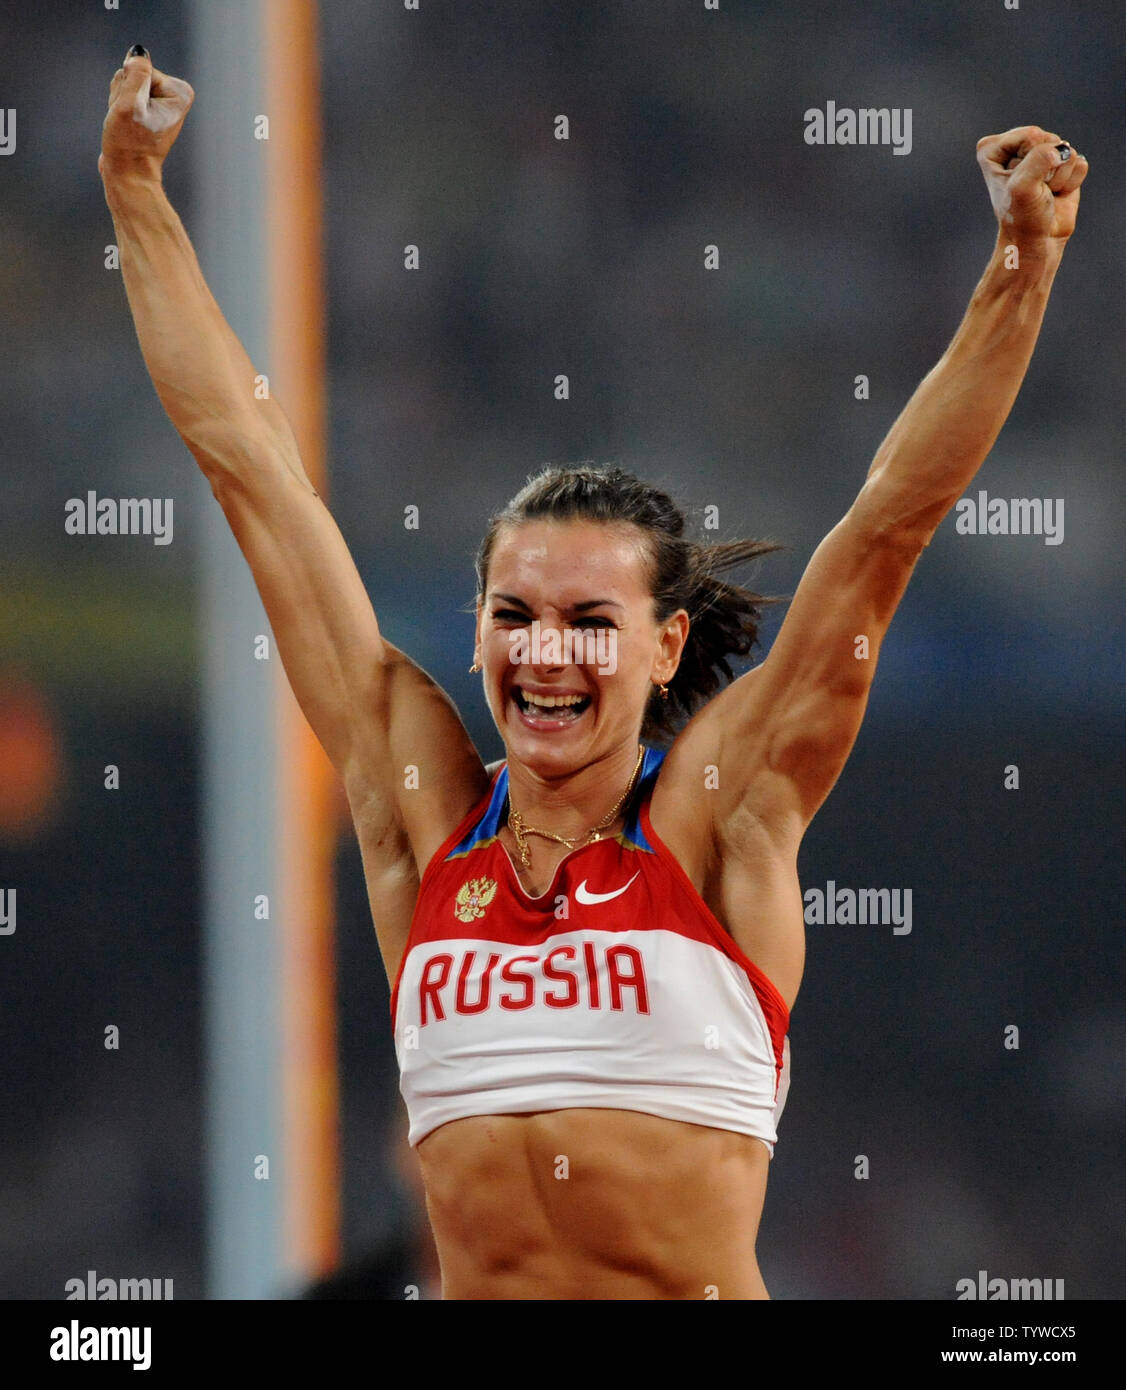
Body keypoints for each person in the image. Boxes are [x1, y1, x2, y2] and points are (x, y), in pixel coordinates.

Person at [100, 45, 1088, 1299]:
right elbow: (251, 469)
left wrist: (1020, 265)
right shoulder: (419, 812)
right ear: (476, 633)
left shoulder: (722, 818)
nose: (545, 651)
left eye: (588, 619)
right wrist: (135, 188)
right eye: (513, 614)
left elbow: (889, 524)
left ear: (665, 645)